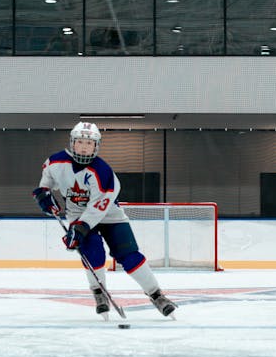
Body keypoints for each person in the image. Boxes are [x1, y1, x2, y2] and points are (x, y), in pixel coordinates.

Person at [33, 120, 177, 320]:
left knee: (129, 255)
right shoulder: (55, 162)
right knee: (93, 252)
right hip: (78, 216)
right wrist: (44, 194)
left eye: (89, 143)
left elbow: (96, 208)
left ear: (96, 146)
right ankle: (99, 293)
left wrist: (80, 228)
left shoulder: (103, 172)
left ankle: (156, 295)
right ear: (72, 143)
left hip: (111, 216)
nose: (84, 147)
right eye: (80, 142)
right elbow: (46, 180)